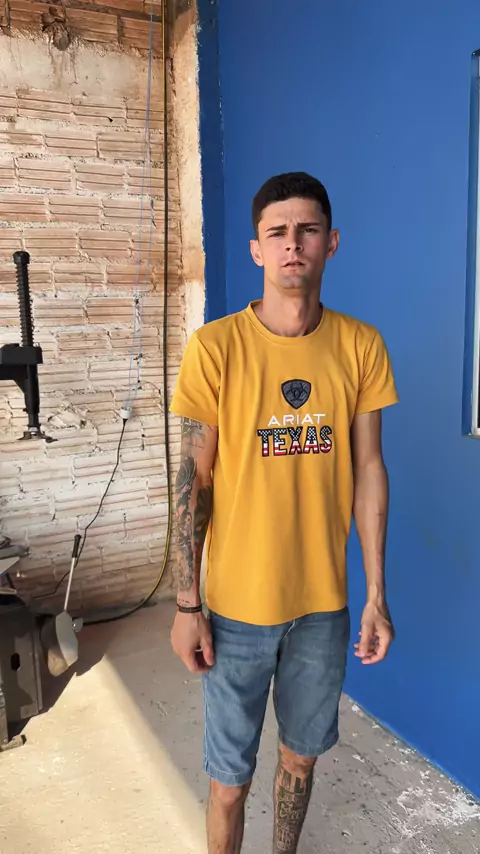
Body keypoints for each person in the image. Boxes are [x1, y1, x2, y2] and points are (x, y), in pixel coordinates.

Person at [170, 171, 398, 854]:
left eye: (307, 230)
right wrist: (186, 602)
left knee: (300, 762)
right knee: (228, 783)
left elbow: (369, 469)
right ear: (256, 249)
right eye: (277, 232)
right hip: (234, 611)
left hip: (322, 611)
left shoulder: (360, 346)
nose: (292, 243)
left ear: (332, 243)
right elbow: (192, 481)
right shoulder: (216, 348)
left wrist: (376, 594)